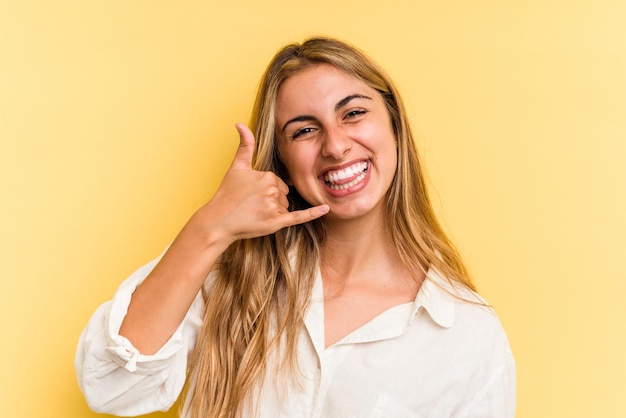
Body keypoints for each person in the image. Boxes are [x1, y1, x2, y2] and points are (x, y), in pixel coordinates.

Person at [75, 36, 515, 418]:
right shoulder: (230, 272)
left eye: (354, 113)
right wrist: (210, 225)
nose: (337, 146)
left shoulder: (467, 335)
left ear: (394, 127)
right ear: (281, 159)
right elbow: (110, 385)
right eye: (305, 130)